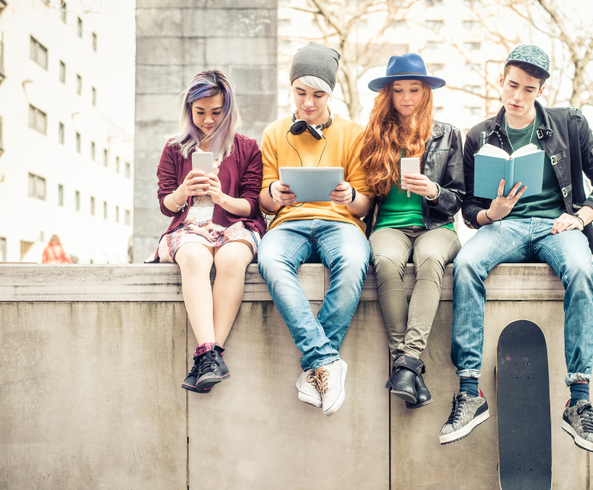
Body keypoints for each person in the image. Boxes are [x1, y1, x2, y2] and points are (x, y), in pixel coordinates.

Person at [440, 45, 593, 453]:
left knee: (580, 270)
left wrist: (583, 215)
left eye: (529, 89)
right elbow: (468, 208)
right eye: (513, 85)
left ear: (541, 90)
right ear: (500, 81)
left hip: (558, 226)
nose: (518, 97)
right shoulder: (479, 135)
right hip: (505, 227)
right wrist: (491, 213)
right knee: (466, 264)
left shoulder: (569, 124)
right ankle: (470, 392)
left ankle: (579, 400)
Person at [257, 42, 373, 417]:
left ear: (331, 93)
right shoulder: (275, 133)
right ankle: (326, 360)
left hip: (339, 222)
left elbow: (365, 205)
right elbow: (263, 200)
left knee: (356, 261)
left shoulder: (353, 134)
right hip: (288, 223)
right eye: (300, 93)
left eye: (318, 94)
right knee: (270, 260)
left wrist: (348, 195)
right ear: (291, 90)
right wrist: (274, 194)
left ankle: (315, 367)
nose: (308, 103)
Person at [361, 54, 465, 408]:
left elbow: (458, 199)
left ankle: (405, 361)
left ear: (425, 93)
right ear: (388, 94)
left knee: (431, 258)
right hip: (389, 225)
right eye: (399, 90)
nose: (406, 97)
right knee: (386, 262)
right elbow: (366, 197)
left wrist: (432, 191)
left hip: (436, 225)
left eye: (414, 89)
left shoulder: (447, 133)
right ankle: (409, 367)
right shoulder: (374, 136)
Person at [154, 69, 266, 393]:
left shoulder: (246, 147)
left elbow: (252, 205)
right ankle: (210, 353)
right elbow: (166, 204)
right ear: (189, 110)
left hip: (234, 225)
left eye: (216, 112)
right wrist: (182, 192)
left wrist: (221, 198)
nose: (207, 120)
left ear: (228, 109)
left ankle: (206, 358)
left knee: (232, 259)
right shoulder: (175, 149)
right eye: (200, 112)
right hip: (189, 227)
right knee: (192, 257)